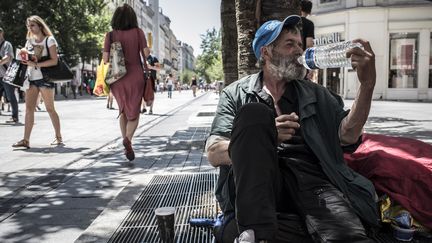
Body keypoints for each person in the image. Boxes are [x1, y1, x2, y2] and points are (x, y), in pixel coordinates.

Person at [206, 15, 379, 242]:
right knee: (254, 114)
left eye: (299, 44)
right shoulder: (235, 93)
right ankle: (257, 231)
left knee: (349, 237)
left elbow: (347, 135)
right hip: (260, 183)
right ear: (266, 52)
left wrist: (367, 85)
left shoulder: (316, 93)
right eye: (290, 44)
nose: (299, 51)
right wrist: (265, 138)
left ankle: (253, 233)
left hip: (312, 181)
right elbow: (214, 152)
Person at [103, 4, 149, 161]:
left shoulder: (109, 35)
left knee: (122, 110)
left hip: (117, 77)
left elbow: (104, 59)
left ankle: (126, 144)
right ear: (133, 18)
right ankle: (128, 139)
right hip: (135, 75)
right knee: (134, 112)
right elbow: (146, 53)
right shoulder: (138, 32)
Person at [12, 16, 63, 148]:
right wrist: (24, 57)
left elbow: (54, 61)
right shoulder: (29, 41)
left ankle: (58, 137)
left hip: (45, 78)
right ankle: (25, 140)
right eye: (29, 26)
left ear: (40, 26)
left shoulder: (49, 40)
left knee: (50, 109)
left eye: (33, 25)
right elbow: (26, 59)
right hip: (31, 78)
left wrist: (37, 64)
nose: (30, 28)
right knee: (29, 109)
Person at [0, 27, 19, 123]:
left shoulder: (7, 44)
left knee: (11, 96)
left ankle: (15, 117)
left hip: (7, 75)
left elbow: (8, 57)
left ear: (2, 33)